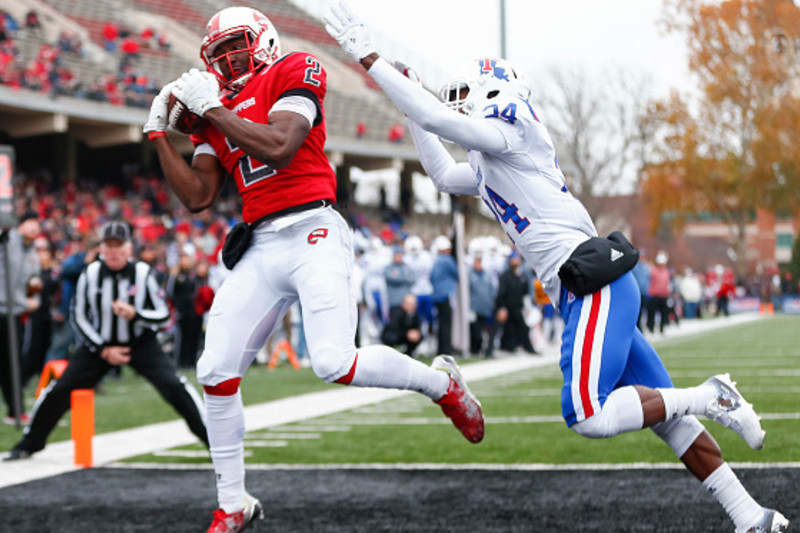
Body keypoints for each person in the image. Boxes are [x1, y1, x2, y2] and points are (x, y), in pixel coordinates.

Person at [324, 4, 789, 531]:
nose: (459, 107)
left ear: (493, 91)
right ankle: (751, 516)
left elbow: (437, 117)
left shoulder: (516, 124)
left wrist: (372, 59)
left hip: (594, 286)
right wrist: (410, 110)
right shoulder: (488, 161)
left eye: (465, 96)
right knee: (671, 421)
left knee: (588, 415)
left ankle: (712, 395)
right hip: (589, 289)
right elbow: (440, 171)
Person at [143, 7, 484, 532]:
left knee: (333, 360)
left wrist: (216, 110)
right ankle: (233, 504)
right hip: (260, 243)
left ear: (264, 41)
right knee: (213, 370)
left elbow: (280, 147)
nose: (229, 60)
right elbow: (198, 197)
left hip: (313, 230)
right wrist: (158, 137)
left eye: (238, 46)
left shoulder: (294, 68)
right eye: (220, 53)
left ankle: (440, 385)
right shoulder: (215, 111)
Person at [2, 221, 209, 461]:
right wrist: (102, 349)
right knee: (59, 390)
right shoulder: (90, 274)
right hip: (98, 346)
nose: (113, 251)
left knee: (175, 387)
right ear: (101, 248)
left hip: (140, 343)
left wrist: (136, 314)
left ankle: (212, 441)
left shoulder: (142, 273)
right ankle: (29, 443)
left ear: (129, 248)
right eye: (108, 246)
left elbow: (163, 314)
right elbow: (78, 316)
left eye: (118, 246)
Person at [0, 211, 41, 425]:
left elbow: (34, 284)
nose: (34, 227)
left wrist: (33, 298)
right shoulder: (7, 240)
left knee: (12, 363)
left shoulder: (33, 252)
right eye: (30, 222)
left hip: (13, 314)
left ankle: (15, 411)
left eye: (37, 223)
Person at [494, 250, 536, 354]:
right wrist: (502, 307)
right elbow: (501, 293)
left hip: (518, 307)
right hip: (508, 306)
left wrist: (527, 306)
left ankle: (527, 347)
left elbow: (525, 293)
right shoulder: (505, 276)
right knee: (508, 329)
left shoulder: (522, 276)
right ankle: (507, 347)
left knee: (523, 327)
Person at [429, 235, 458, 355]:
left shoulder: (436, 261)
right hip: (446, 296)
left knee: (441, 324)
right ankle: (446, 349)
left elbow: (431, 278)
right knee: (446, 325)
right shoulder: (447, 260)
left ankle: (441, 349)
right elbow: (457, 274)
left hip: (437, 295)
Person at [467, 254, 495, 356]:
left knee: (485, 330)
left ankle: (482, 349)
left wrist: (491, 301)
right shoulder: (470, 275)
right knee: (475, 329)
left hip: (485, 306)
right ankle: (474, 349)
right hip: (474, 307)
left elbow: (492, 289)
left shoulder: (487, 274)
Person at [380, 292, 422, 357]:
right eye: (410, 304)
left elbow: (416, 328)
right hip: (392, 336)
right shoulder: (396, 313)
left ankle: (409, 353)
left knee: (418, 335)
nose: (412, 306)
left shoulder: (415, 315)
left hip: (405, 337)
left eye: (414, 304)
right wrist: (407, 334)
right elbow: (393, 330)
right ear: (404, 303)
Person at [647, 251, 671, 335]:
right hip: (655, 295)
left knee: (664, 313)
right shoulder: (653, 271)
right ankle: (651, 328)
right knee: (652, 313)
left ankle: (662, 328)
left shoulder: (666, 272)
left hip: (664, 295)